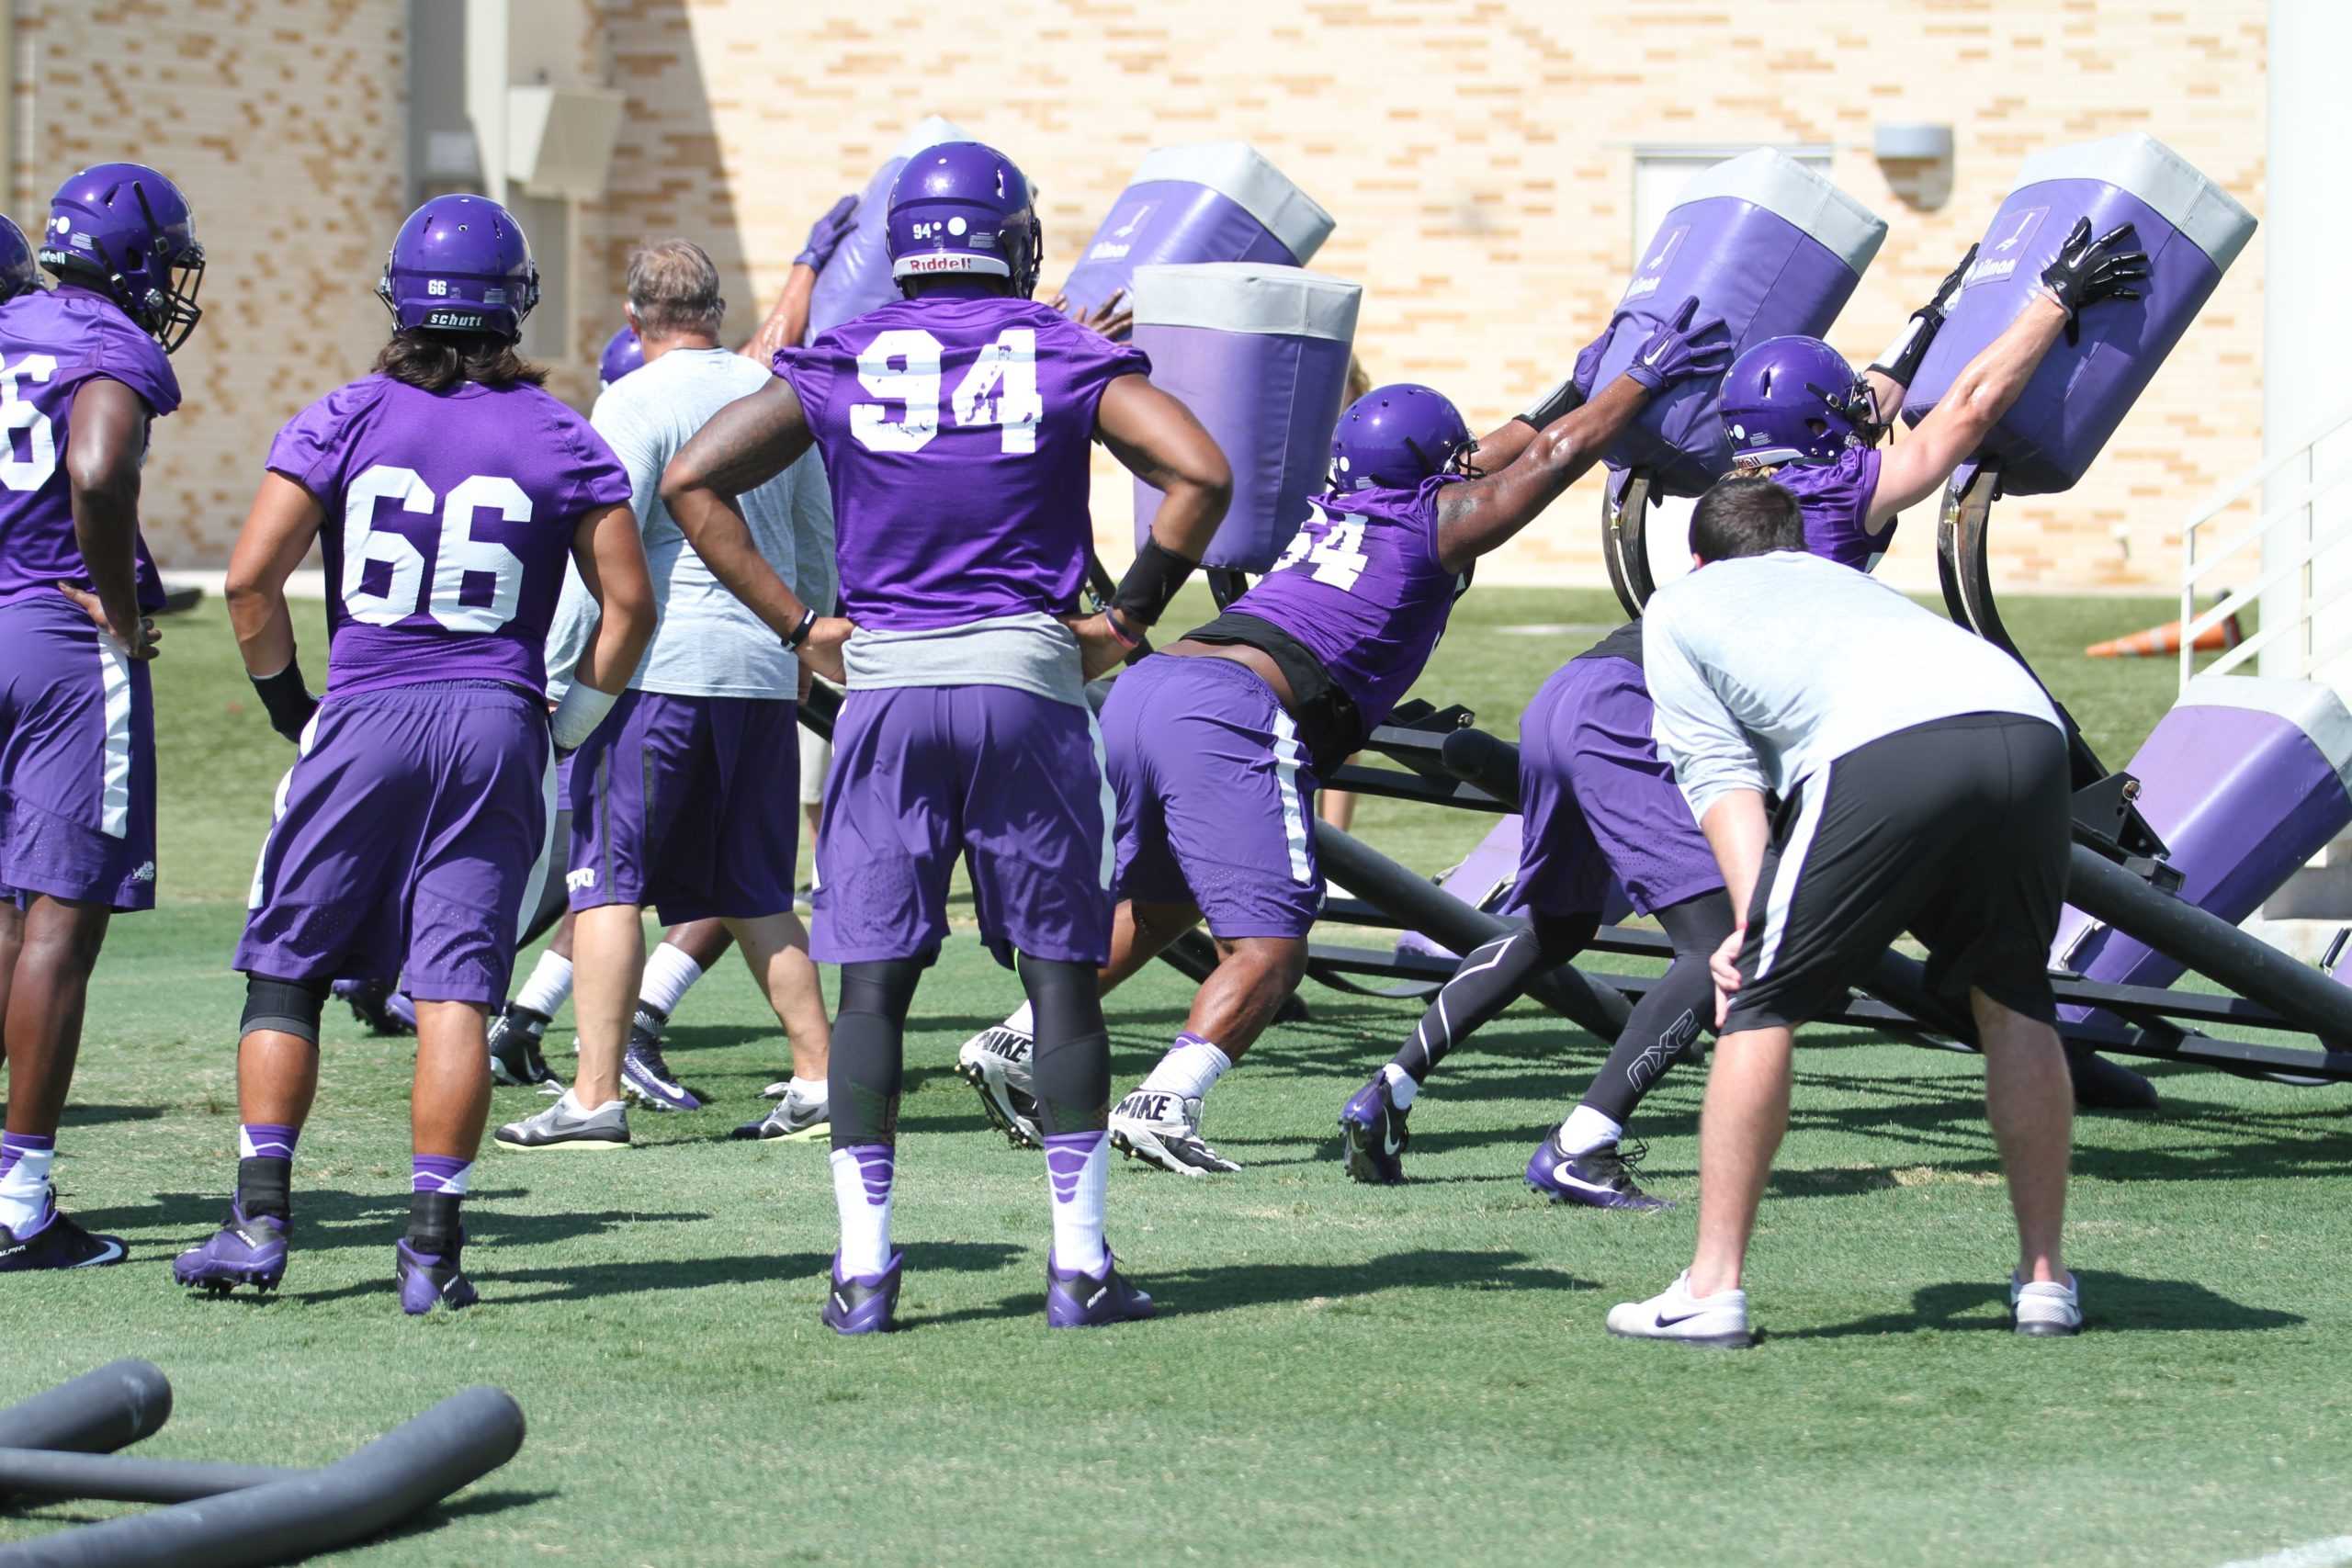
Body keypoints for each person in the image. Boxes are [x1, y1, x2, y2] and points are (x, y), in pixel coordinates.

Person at [956, 300, 1733, 1177]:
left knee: (1164, 905)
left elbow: (1497, 451)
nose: (1465, 470)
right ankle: (1167, 1099)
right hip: (1228, 710)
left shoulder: (1343, 506)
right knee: (1273, 947)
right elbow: (1549, 458)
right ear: (1430, 473)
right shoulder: (1431, 523)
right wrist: (1642, 380)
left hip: (1153, 690)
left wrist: (1578, 385)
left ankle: (1020, 1035)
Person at [662, 140, 1231, 1332]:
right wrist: (1126, 619)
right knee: (1058, 976)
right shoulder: (1059, 347)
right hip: (1024, 683)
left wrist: (797, 625)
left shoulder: (846, 353)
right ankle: (1079, 1262)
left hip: (888, 690)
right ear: (1013, 241)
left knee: (874, 983)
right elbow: (1200, 471)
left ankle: (864, 1269)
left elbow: (693, 479)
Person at [170, 195, 654, 1312]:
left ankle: (259, 1222)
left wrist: (293, 708)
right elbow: (628, 603)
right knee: (454, 987)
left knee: (288, 968)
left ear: (401, 299)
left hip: (368, 710)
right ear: (515, 304)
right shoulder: (560, 433)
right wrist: (569, 721)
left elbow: (248, 583)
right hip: (495, 722)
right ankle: (432, 1249)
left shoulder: (343, 415)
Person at [1602, 476, 2078, 1348]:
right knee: (2015, 994)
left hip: (1884, 745)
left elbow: (1720, 775)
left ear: (1697, 558)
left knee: (1760, 1002)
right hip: (2029, 725)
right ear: (1798, 545)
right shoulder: (1847, 582)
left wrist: (1750, 932)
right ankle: (2045, 1280)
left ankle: (1711, 1288)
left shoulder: (1676, 606)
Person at [493, 239, 835, 1152]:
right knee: (757, 887)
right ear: (717, 311)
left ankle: (594, 1096)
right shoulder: (776, 391)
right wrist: (802, 643)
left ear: (632, 317)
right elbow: (816, 536)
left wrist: (559, 673)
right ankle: (820, 1077)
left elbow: (603, 552)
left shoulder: (631, 399)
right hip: (762, 670)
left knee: (606, 884)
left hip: (657, 674)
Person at [0, 168, 203, 1270]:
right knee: (59, 925)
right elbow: (95, 468)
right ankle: (20, 1199)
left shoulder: (6, 325)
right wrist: (120, 608)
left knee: (4, 912)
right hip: (57, 644)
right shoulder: (108, 343)